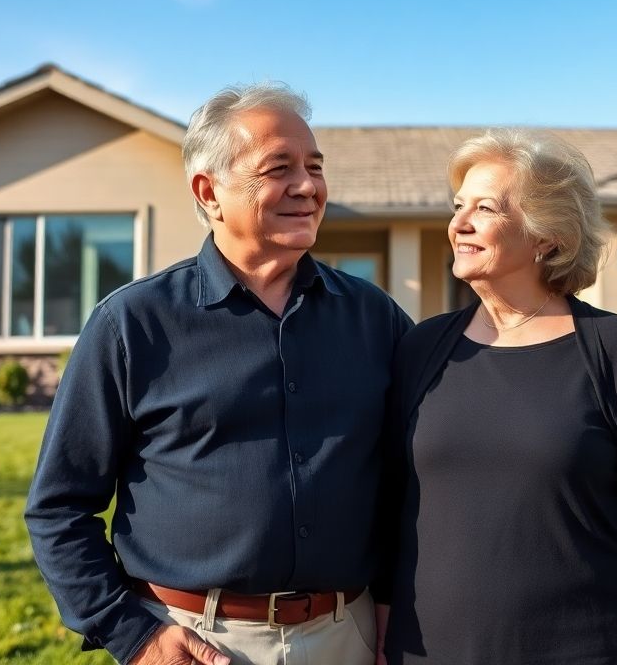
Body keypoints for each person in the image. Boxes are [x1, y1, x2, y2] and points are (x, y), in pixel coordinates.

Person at [25, 83, 411, 665]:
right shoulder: (133, 324)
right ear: (209, 192)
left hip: (348, 633)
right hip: (195, 642)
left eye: (314, 167)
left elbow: (411, 478)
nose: (307, 186)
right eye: (278, 168)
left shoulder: (374, 317)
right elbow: (58, 507)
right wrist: (134, 635)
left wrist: (392, 608)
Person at [374, 129, 617, 665]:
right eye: (458, 207)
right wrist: (383, 641)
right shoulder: (421, 348)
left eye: (485, 208)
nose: (460, 223)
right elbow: (391, 512)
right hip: (431, 652)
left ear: (546, 236)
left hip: (592, 647)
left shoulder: (615, 349)